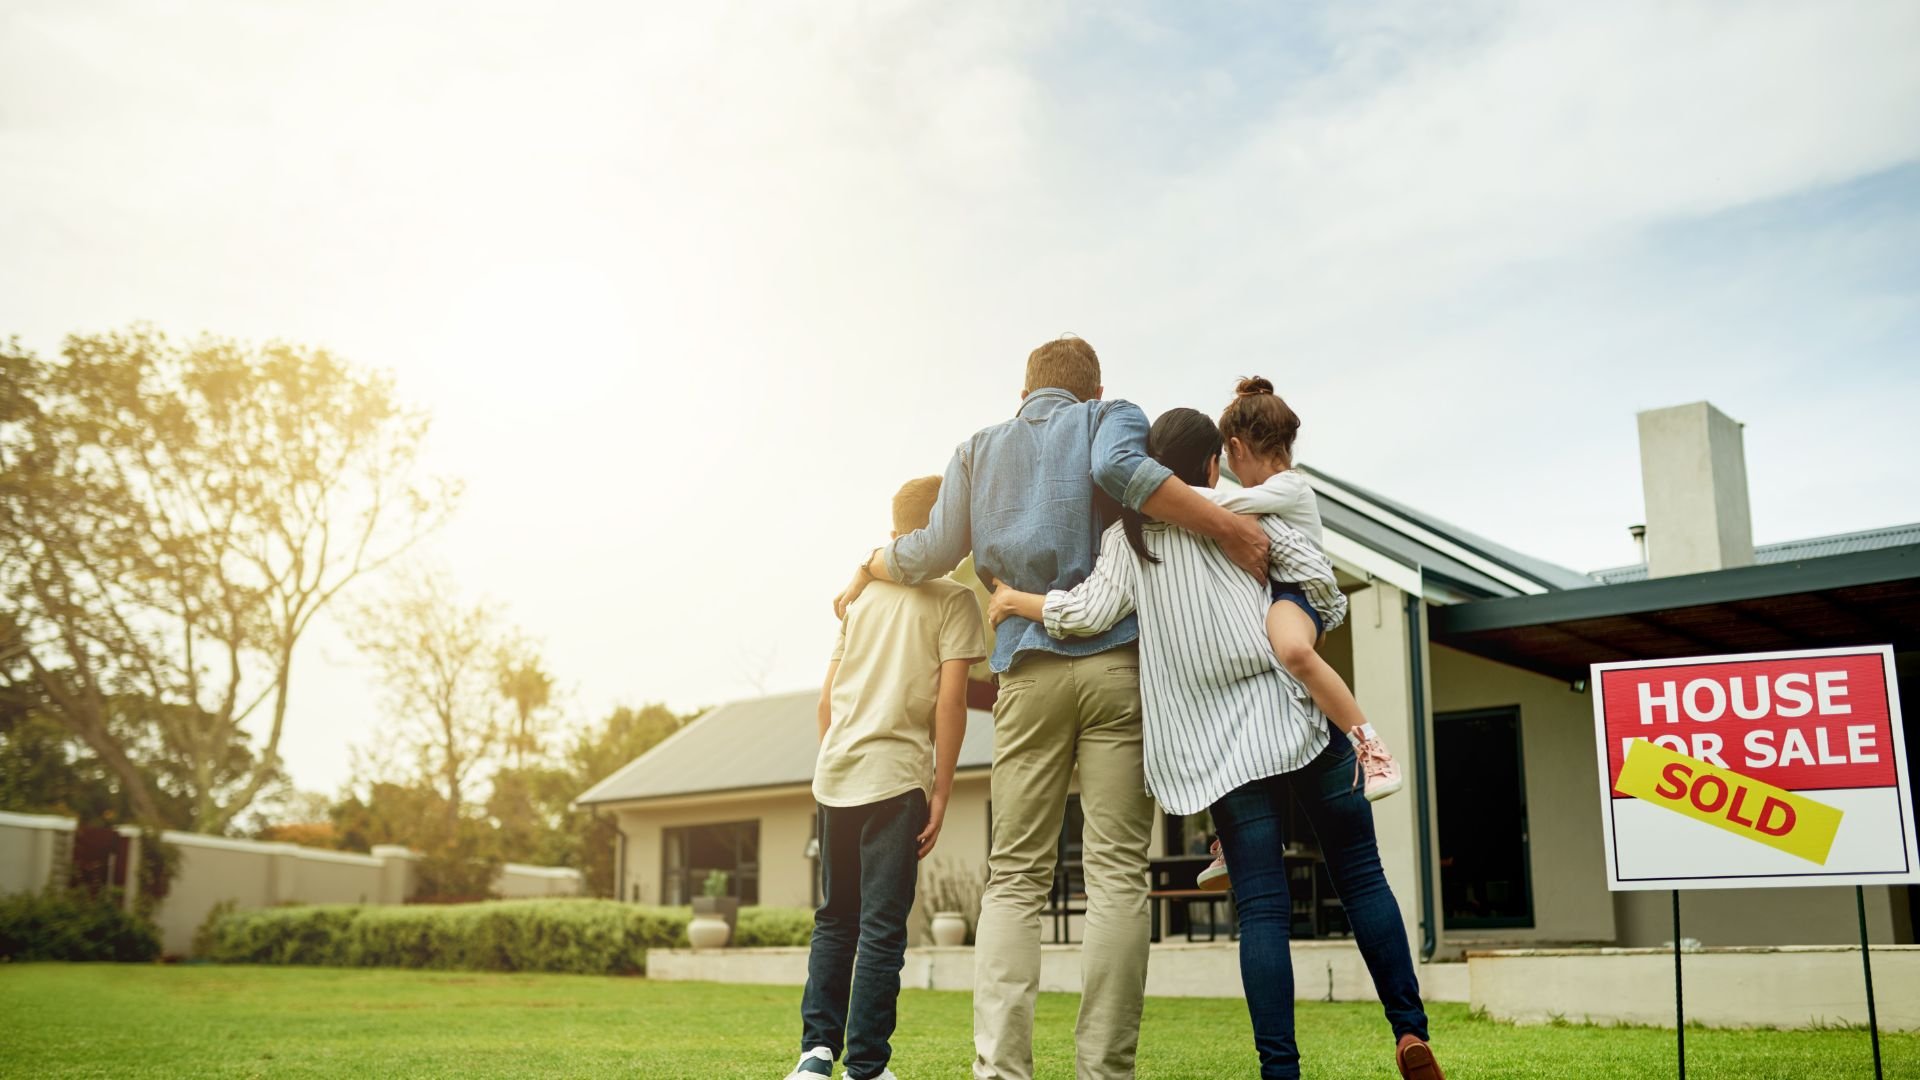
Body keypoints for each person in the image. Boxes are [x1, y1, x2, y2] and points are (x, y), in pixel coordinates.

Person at [833, 336, 1270, 1080]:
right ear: (1094, 391)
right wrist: (1229, 525)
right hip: (1115, 670)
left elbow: (933, 550)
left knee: (1015, 879)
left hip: (1027, 675)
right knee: (1116, 876)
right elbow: (1119, 472)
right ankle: (1105, 1072)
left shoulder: (977, 448)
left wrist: (872, 562)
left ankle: (1002, 1072)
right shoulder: (1111, 418)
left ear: (1024, 391)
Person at [988, 408, 1443, 1080]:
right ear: (1211, 462)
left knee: (1262, 908)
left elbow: (1085, 614)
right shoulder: (1240, 511)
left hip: (1222, 754)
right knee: (1362, 878)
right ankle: (1409, 1031)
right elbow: (1320, 586)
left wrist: (1012, 601)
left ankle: (1279, 1070)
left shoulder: (1128, 536)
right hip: (1295, 719)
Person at [788, 476, 988, 1080]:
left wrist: (839, 761)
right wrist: (942, 790)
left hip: (837, 774)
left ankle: (815, 1056)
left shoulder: (859, 599)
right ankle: (867, 1067)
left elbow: (826, 705)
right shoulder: (954, 599)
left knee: (834, 918)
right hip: (896, 777)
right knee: (880, 926)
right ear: (944, 529)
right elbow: (950, 704)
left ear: (896, 527)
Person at [1196, 376, 1403, 894]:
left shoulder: (1288, 487)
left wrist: (1159, 493)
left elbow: (1219, 509)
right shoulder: (1270, 489)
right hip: (1274, 602)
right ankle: (1229, 835)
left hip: (1298, 597)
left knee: (1289, 650)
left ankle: (1370, 746)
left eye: (1229, 458)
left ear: (1238, 449)